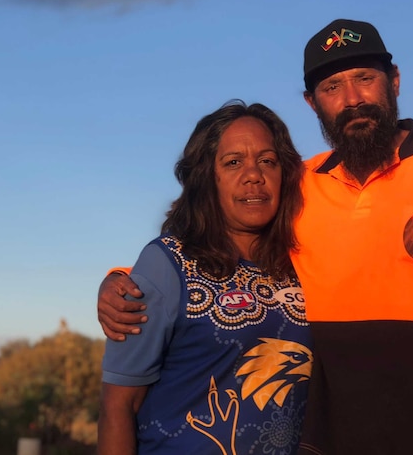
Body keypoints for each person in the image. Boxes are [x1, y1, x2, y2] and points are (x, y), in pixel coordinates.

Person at [97, 19, 413, 455]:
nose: (352, 98)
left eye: (364, 77)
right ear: (313, 104)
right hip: (326, 442)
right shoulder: (300, 184)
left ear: (393, 80)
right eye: (332, 87)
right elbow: (212, 244)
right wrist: (125, 282)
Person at [98, 100, 313, 455]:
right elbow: (117, 407)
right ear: (205, 179)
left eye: (267, 161)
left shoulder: (304, 264)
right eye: (233, 162)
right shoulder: (166, 263)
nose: (253, 175)